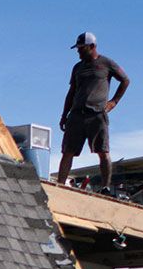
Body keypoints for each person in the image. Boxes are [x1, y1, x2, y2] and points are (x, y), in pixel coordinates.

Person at [55, 31, 128, 189]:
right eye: (78, 48)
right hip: (76, 115)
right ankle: (60, 185)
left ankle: (105, 188)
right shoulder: (77, 68)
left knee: (103, 151)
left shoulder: (106, 63)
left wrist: (113, 102)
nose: (79, 51)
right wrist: (64, 115)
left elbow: (125, 80)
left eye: (82, 48)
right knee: (67, 151)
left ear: (92, 46)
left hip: (97, 114)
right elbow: (71, 92)